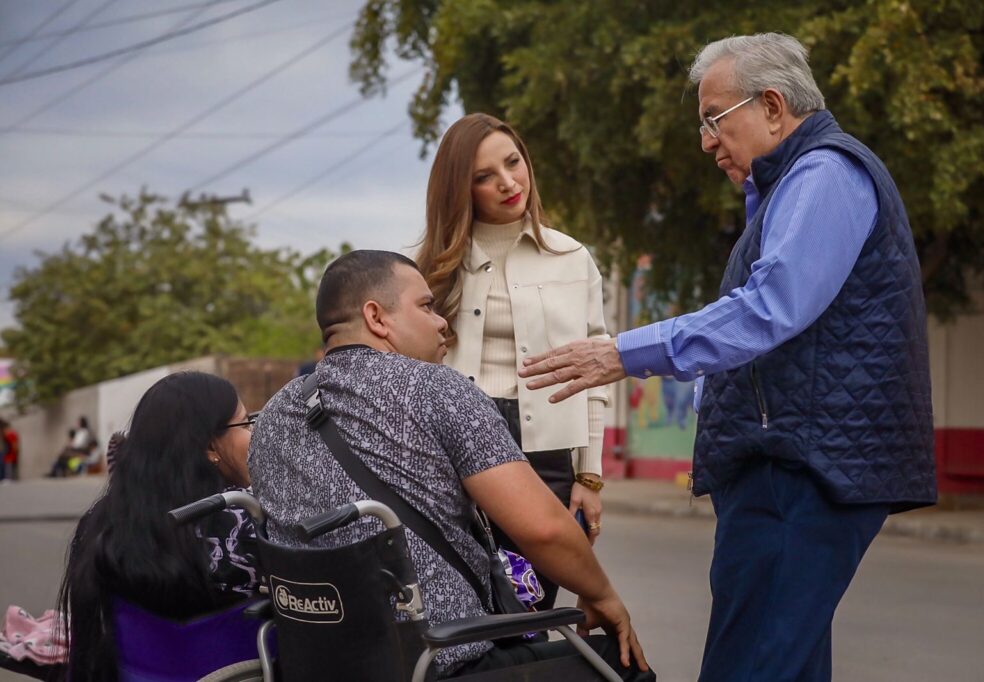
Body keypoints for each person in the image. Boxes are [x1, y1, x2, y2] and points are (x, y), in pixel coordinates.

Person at [519, 33, 936, 681]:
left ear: (772, 105)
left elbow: (771, 308)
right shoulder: (788, 185)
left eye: (713, 120)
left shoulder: (824, 174)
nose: (707, 142)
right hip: (793, 464)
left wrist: (623, 353)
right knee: (786, 664)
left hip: (801, 468)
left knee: (749, 664)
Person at [248, 250, 652, 680]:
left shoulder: (272, 416)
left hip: (321, 662)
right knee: (621, 661)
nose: (442, 322)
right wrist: (603, 595)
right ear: (376, 317)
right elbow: (544, 529)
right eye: (425, 306)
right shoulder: (436, 389)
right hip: (439, 659)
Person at [417, 113, 610, 609]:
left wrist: (589, 476)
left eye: (513, 163)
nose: (508, 183)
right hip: (449, 448)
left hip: (544, 453)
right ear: (461, 188)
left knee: (528, 605)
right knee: (457, 604)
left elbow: (594, 376)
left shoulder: (572, 258)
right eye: (484, 176)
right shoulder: (423, 266)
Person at [57, 372, 259, 680]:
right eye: (245, 423)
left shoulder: (100, 521)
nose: (253, 434)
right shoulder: (245, 517)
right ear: (209, 447)